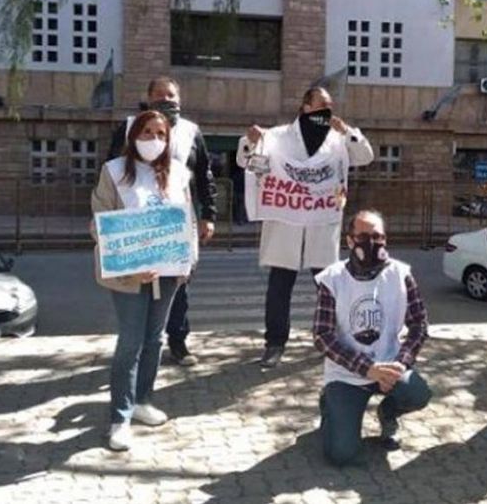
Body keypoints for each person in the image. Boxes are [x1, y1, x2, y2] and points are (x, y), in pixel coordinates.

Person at [237, 87, 374, 368]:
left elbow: (365, 156)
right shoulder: (277, 136)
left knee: (328, 286)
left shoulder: (337, 139)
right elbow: (246, 161)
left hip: (320, 224)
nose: (326, 111)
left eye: (330, 106)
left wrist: (347, 130)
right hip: (286, 224)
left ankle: (334, 338)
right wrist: (250, 142)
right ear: (305, 106)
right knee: (279, 288)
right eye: (321, 105)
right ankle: (274, 344)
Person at [92, 110, 198, 451]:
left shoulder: (179, 174)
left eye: (161, 134)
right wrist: (130, 264)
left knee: (155, 339)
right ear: (133, 135)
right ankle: (119, 417)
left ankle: (142, 401)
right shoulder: (114, 172)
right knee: (130, 341)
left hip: (167, 273)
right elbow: (100, 223)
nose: (154, 139)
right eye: (147, 132)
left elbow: (188, 221)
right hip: (129, 275)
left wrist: (186, 261)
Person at [107, 77, 217, 367]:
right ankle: (138, 343)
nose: (166, 99)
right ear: (148, 97)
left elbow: (204, 175)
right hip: (138, 221)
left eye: (171, 95)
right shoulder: (129, 127)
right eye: (159, 94)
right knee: (140, 282)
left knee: (177, 281)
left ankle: (177, 342)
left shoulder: (192, 131)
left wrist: (208, 215)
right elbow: (111, 173)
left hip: (178, 222)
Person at [313, 210, 431, 466]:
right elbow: (322, 335)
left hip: (390, 368)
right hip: (347, 375)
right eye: (364, 236)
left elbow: (419, 324)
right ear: (349, 240)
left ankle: (388, 414)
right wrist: (367, 368)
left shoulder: (400, 274)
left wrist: (401, 363)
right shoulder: (332, 278)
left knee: (417, 392)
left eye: (378, 236)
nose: (371, 243)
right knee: (340, 455)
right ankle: (330, 405)